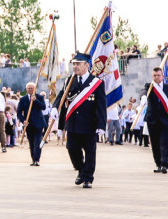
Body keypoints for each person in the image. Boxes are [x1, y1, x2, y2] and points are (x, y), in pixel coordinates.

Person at [57, 53, 106, 188]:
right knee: (71, 148)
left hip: (90, 124)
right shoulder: (69, 81)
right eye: (73, 64)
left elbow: (101, 105)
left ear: (86, 65)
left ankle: (88, 178)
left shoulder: (96, 83)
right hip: (73, 123)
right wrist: (56, 109)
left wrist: (101, 125)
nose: (75, 66)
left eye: (78, 64)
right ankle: (81, 170)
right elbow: (62, 98)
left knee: (90, 151)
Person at [146, 66, 168, 173]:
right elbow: (143, 92)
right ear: (152, 76)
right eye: (154, 75)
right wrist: (143, 97)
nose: (156, 77)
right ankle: (158, 164)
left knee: (164, 142)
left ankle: (165, 164)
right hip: (152, 119)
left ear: (163, 76)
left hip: (165, 120)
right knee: (155, 143)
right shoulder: (149, 87)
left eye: (158, 75)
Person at [17, 82, 47, 165]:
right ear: (26, 89)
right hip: (28, 124)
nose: (30, 90)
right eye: (29, 88)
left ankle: (37, 160)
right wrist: (23, 120)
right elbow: (19, 112)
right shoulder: (23, 99)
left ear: (35, 89)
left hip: (39, 123)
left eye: (32, 88)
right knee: (31, 143)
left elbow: (43, 107)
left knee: (37, 142)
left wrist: (35, 100)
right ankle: (33, 159)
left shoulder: (39, 97)